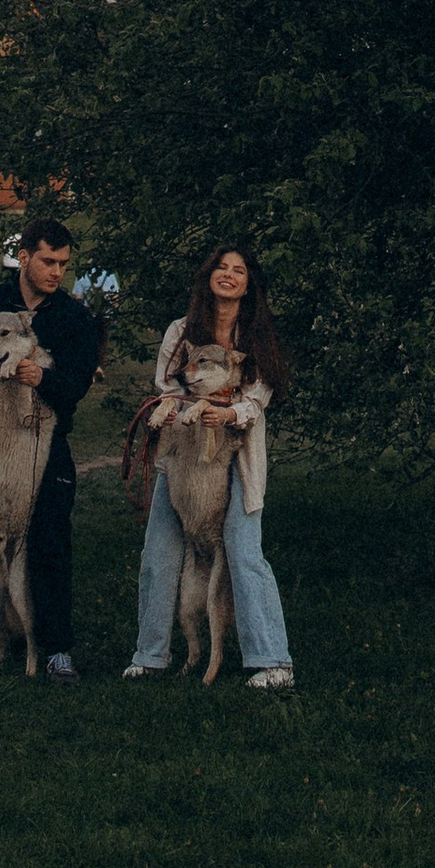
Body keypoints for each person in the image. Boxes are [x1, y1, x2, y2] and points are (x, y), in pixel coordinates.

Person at [124, 243, 295, 689]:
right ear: (208, 277)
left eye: (238, 270)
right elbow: (166, 384)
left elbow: (258, 397)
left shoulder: (256, 339)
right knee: (158, 555)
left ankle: (273, 660)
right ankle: (150, 655)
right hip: (181, 458)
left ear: (248, 285)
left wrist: (227, 412)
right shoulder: (181, 332)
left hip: (237, 460)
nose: (228, 274)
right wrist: (195, 402)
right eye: (221, 267)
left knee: (243, 552)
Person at [0, 217, 101, 682]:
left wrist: (43, 378)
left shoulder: (73, 317)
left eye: (64, 264)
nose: (57, 272)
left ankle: (55, 650)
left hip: (42, 445)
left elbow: (74, 388)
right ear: (25, 255)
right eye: (48, 261)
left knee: (50, 540)